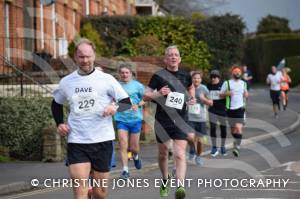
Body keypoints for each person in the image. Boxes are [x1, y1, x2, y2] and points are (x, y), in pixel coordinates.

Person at [51, 38, 131, 199]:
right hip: (77, 141)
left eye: (88, 56)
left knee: (100, 193)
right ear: (75, 57)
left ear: (94, 56)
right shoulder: (67, 82)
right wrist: (60, 123)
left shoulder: (106, 79)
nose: (85, 60)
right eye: (81, 57)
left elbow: (127, 103)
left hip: (102, 141)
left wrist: (114, 107)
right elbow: (56, 104)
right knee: (80, 191)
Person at [144, 45, 195, 199]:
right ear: (165, 59)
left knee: (180, 155)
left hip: (181, 119)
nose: (173, 57)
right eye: (170, 55)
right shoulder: (158, 76)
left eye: (176, 55)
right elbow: (146, 96)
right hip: (163, 120)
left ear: (179, 58)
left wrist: (192, 98)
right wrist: (158, 93)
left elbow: (191, 88)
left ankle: (180, 186)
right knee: (163, 153)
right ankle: (165, 179)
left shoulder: (186, 76)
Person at [114, 64, 145, 179]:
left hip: (135, 119)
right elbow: (111, 99)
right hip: (121, 119)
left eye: (127, 72)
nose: (124, 74)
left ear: (131, 74)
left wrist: (138, 104)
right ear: (119, 74)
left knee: (133, 148)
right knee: (122, 144)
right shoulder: (116, 86)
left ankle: (135, 156)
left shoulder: (138, 86)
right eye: (122, 72)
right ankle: (125, 170)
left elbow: (145, 98)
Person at [220, 65, 248, 157]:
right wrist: (227, 93)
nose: (237, 73)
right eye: (235, 71)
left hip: (240, 109)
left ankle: (237, 147)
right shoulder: (227, 83)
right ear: (232, 73)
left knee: (238, 128)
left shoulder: (243, 83)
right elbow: (220, 95)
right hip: (230, 109)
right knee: (233, 130)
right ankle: (236, 141)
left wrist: (246, 94)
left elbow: (245, 93)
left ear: (241, 73)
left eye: (239, 72)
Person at [187, 71, 213, 166]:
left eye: (198, 78)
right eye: (194, 78)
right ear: (191, 79)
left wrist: (203, 99)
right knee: (189, 137)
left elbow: (211, 103)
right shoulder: (187, 88)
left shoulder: (204, 89)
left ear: (201, 80)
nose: (196, 80)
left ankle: (198, 156)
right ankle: (192, 149)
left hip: (201, 118)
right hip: (189, 117)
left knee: (200, 141)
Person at [207, 70, 227, 157]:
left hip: (222, 110)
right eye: (212, 77)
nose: (213, 79)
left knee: (223, 129)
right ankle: (214, 146)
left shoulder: (223, 85)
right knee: (213, 128)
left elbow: (229, 95)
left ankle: (223, 146)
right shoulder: (208, 86)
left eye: (215, 77)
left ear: (219, 77)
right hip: (212, 110)